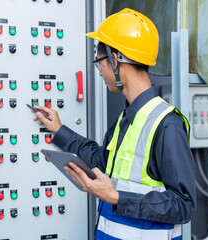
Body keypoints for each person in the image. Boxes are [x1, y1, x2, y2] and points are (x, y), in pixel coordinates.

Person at [32, 8, 196, 240]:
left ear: (116, 59)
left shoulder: (167, 124)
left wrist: (117, 197)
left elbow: (184, 205)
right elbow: (102, 161)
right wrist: (59, 130)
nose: (100, 73)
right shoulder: (127, 117)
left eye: (100, 62)